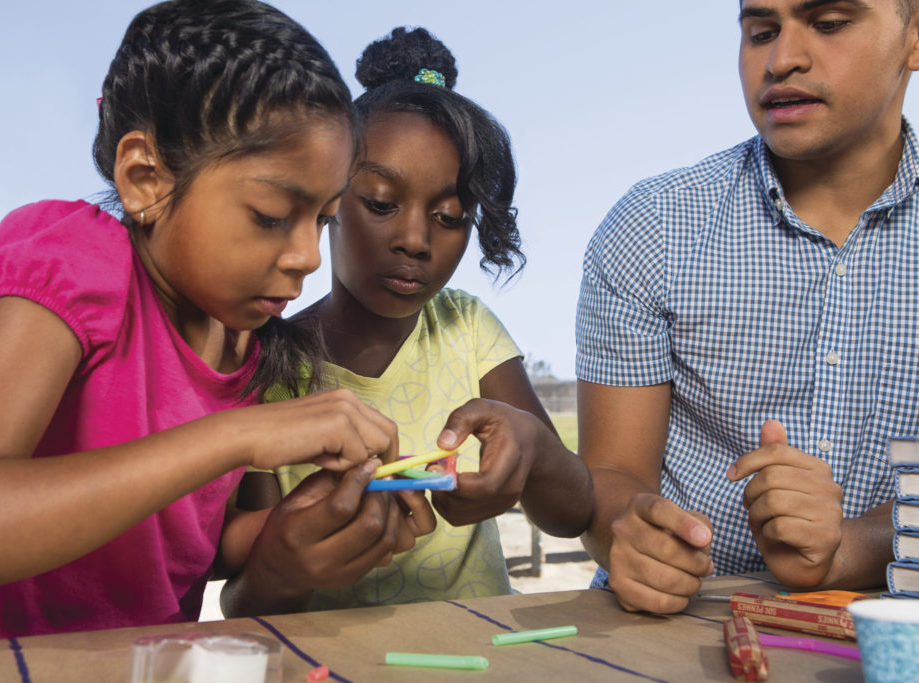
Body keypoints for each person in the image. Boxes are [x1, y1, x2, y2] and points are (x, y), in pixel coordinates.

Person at [0, 0, 427, 647]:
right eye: (270, 215)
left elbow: (187, 551)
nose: (308, 257)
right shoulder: (77, 266)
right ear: (145, 179)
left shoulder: (246, 342)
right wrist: (239, 435)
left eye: (323, 218)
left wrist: (306, 523)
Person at [220, 27, 593, 616]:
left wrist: (536, 455)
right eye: (381, 203)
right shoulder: (266, 364)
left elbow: (574, 514)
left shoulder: (469, 329)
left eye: (449, 215)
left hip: (488, 648)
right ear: (329, 201)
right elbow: (247, 603)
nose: (415, 239)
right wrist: (285, 564)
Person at [576, 0, 919, 614]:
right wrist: (630, 533)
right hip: (678, 623)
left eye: (829, 24)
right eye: (761, 32)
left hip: (891, 628)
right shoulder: (654, 225)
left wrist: (849, 546)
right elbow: (610, 473)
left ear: (913, 39)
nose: (781, 60)